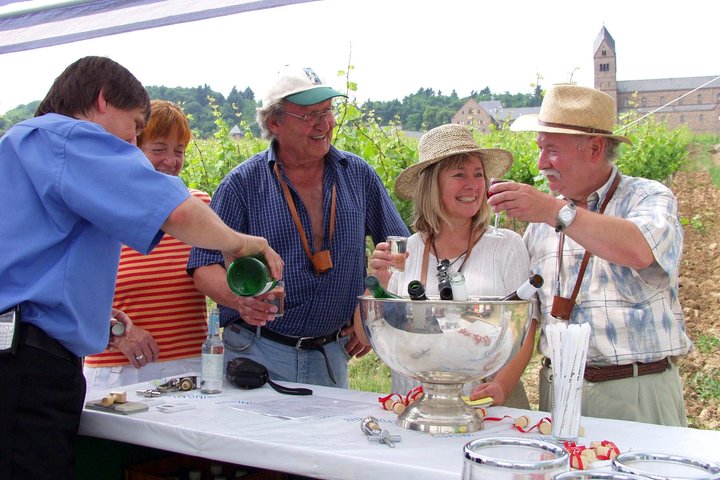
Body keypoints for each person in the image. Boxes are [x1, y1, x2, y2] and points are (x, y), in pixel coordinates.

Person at [0, 56, 282, 480]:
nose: (131, 144)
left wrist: (93, 313)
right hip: (31, 368)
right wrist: (242, 243)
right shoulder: (71, 137)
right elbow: (174, 211)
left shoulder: (18, 146)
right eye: (135, 126)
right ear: (101, 101)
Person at [188, 66, 409, 388]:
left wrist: (369, 314)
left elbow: (399, 248)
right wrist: (240, 301)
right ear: (274, 122)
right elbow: (203, 266)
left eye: (328, 111)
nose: (325, 124)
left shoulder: (358, 175)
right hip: (255, 352)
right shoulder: (242, 184)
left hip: (331, 354)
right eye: (309, 115)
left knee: (328, 439)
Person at [489, 83, 691, 426]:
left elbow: (639, 249)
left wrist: (556, 213)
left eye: (551, 150)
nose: (540, 163)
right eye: (540, 149)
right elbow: (529, 318)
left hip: (637, 393)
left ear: (595, 148)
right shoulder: (540, 224)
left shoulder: (647, 198)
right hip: (558, 392)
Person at [364, 123, 537, 408]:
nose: (473, 184)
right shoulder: (408, 249)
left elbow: (525, 327)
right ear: (433, 185)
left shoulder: (506, 245)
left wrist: (502, 386)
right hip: (418, 404)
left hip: (485, 404)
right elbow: (370, 335)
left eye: (478, 174)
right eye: (459, 175)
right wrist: (377, 282)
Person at [84, 100, 212, 390]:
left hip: (189, 372)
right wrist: (117, 335)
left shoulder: (201, 209)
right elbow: (70, 292)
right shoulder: (99, 212)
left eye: (178, 151)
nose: (170, 161)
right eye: (158, 149)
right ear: (132, 149)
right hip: (118, 370)